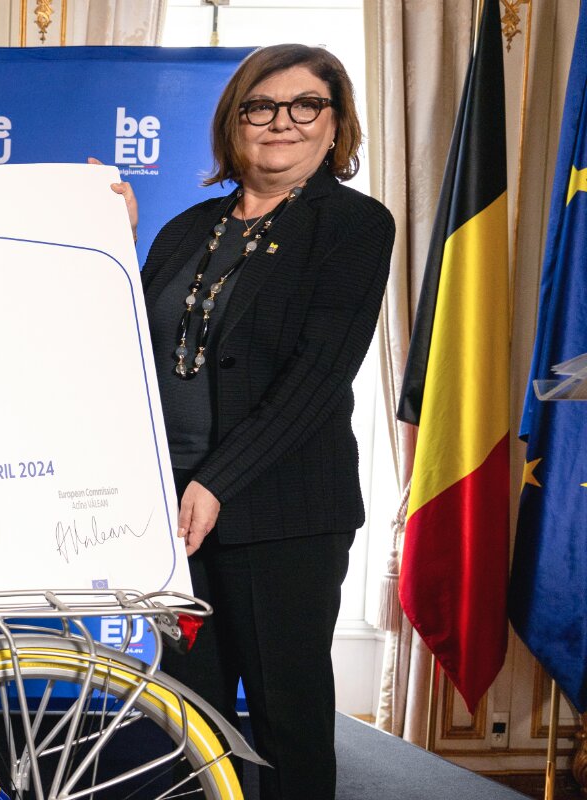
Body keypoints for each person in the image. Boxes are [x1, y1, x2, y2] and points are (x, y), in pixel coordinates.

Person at [141, 45, 394, 799]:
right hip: (171, 514)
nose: (281, 122)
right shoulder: (188, 229)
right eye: (260, 106)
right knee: (190, 722)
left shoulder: (353, 226)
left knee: (287, 724)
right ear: (233, 121)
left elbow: (317, 378)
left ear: (335, 123)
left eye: (305, 105)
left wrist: (216, 481)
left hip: (283, 516)